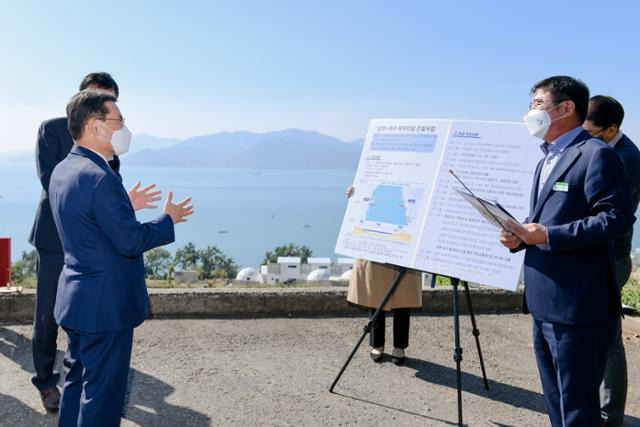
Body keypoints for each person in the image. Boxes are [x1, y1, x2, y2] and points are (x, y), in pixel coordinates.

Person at [49, 90, 193, 426]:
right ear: (96, 125)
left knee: (76, 383)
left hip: (75, 299)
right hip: (105, 306)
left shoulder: (64, 170)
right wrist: (167, 219)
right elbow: (129, 241)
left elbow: (89, 224)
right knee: (102, 397)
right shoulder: (101, 177)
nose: (125, 129)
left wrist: (125, 206)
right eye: (119, 121)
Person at [499, 76, 634, 426]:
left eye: (537, 105)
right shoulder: (547, 157)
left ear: (566, 108)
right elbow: (548, 217)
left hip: (577, 304)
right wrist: (521, 237)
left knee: (577, 406)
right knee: (557, 400)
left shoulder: (596, 155)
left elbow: (615, 219)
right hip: (545, 299)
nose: (530, 113)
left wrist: (547, 234)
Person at [28, 72, 160, 413]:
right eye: (99, 96)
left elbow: (106, 194)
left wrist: (123, 206)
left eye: (111, 97)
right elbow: (53, 180)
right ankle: (44, 380)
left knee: (82, 323)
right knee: (48, 315)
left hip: (93, 241)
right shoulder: (52, 128)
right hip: (56, 237)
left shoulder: (109, 145)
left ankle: (79, 385)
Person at [584, 95, 640, 427]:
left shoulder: (627, 159)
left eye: (590, 132)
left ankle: (610, 416)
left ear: (612, 129)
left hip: (611, 258)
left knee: (608, 338)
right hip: (593, 255)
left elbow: (600, 211)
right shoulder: (602, 147)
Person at [345, 186, 422, 364]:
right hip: (376, 237)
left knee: (404, 298)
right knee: (375, 295)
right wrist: (356, 196)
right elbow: (364, 200)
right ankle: (377, 343)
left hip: (404, 235)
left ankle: (399, 346)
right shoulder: (379, 171)